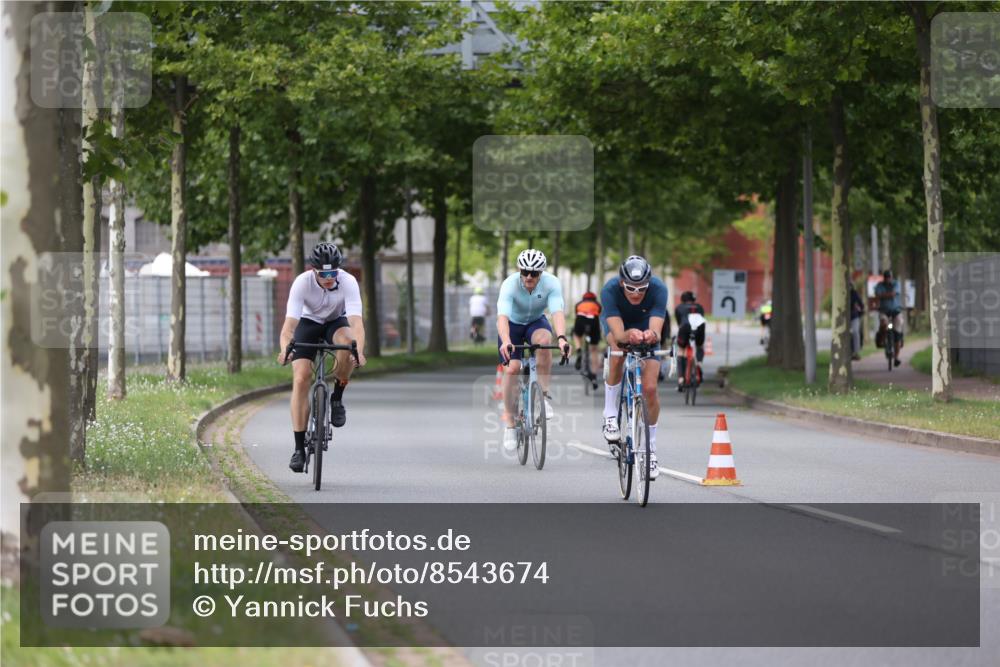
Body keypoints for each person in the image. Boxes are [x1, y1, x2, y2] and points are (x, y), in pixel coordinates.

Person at [277, 243, 366, 473]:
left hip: (336, 322)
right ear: (313, 270)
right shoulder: (301, 283)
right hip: (308, 323)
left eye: (332, 273)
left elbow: (356, 322)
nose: (328, 278)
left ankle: (337, 398)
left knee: (347, 343)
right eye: (323, 274)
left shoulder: (348, 282)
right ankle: (299, 449)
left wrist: (359, 350)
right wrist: (285, 349)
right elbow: (288, 328)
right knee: (300, 378)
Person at [496, 249, 571, 453]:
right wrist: (505, 341)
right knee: (512, 368)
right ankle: (510, 425)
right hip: (511, 325)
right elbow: (502, 317)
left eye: (535, 273)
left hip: (535, 323)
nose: (529, 276)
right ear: (520, 270)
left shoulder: (552, 283)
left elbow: (557, 312)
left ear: (541, 273)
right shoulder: (509, 285)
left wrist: (562, 338)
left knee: (545, 341)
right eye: (526, 271)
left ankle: (544, 397)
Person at [599, 255, 668, 480]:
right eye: (630, 288)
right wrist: (629, 335)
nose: (636, 293)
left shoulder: (659, 289)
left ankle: (651, 452)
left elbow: (656, 329)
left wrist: (651, 334)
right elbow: (619, 336)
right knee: (618, 353)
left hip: (644, 326)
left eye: (642, 288)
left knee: (649, 389)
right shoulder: (610, 290)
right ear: (621, 283)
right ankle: (610, 414)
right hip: (618, 325)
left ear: (650, 282)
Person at [674, 291, 706, 392]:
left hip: (685, 327)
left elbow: (679, 323)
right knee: (699, 346)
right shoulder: (700, 307)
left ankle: (681, 379)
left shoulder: (679, 308)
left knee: (681, 350)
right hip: (699, 328)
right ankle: (699, 364)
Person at [874, 269, 903, 366]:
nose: (888, 279)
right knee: (884, 324)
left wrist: (883, 295)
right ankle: (882, 339)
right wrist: (887, 295)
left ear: (892, 277)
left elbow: (894, 293)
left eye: (889, 277)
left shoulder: (896, 284)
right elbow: (877, 295)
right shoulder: (880, 285)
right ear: (884, 278)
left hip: (896, 311)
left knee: (897, 332)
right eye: (886, 278)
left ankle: (896, 357)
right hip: (884, 311)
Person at [572, 291, 602, 383]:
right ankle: (593, 375)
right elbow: (599, 314)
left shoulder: (579, 304)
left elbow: (576, 313)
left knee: (576, 334)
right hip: (593, 322)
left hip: (580, 320)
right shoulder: (597, 304)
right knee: (594, 350)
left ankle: (579, 350)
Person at [850, 283, 865, 360]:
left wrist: (862, 309)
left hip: (854, 317)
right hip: (843, 318)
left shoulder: (854, 293)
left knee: (855, 332)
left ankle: (856, 352)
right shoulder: (840, 294)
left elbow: (861, 304)